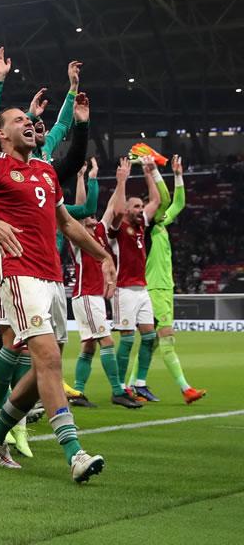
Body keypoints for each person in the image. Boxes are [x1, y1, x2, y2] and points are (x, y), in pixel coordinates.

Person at [0, 107, 117, 483]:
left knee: (46, 367)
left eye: (29, 120)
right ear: (2, 134)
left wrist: (103, 255)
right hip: (19, 275)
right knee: (49, 357)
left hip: (53, 279)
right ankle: (75, 452)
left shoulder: (45, 171)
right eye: (19, 121)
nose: (28, 123)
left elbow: (68, 223)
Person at [126, 156, 206, 402]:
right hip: (155, 288)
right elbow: (167, 199)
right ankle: (185, 389)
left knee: (153, 341)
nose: (161, 210)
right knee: (167, 337)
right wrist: (153, 172)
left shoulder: (162, 223)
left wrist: (178, 175)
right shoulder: (148, 227)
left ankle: (132, 385)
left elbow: (178, 203)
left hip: (164, 288)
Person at [68, 214, 142, 409]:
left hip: (93, 297)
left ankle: (77, 393)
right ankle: (118, 392)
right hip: (86, 295)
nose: (93, 217)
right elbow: (81, 207)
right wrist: (82, 182)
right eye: (88, 215)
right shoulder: (77, 235)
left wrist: (120, 183)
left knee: (89, 346)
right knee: (107, 341)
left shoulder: (100, 234)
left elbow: (112, 208)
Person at [104, 156, 162, 401]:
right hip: (124, 290)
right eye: (136, 207)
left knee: (149, 336)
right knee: (127, 340)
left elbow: (156, 201)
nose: (141, 210)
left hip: (142, 290)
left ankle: (139, 383)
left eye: (141, 206)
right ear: (128, 210)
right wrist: (122, 181)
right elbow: (116, 210)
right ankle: (119, 389)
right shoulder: (118, 229)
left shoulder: (140, 227)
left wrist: (149, 172)